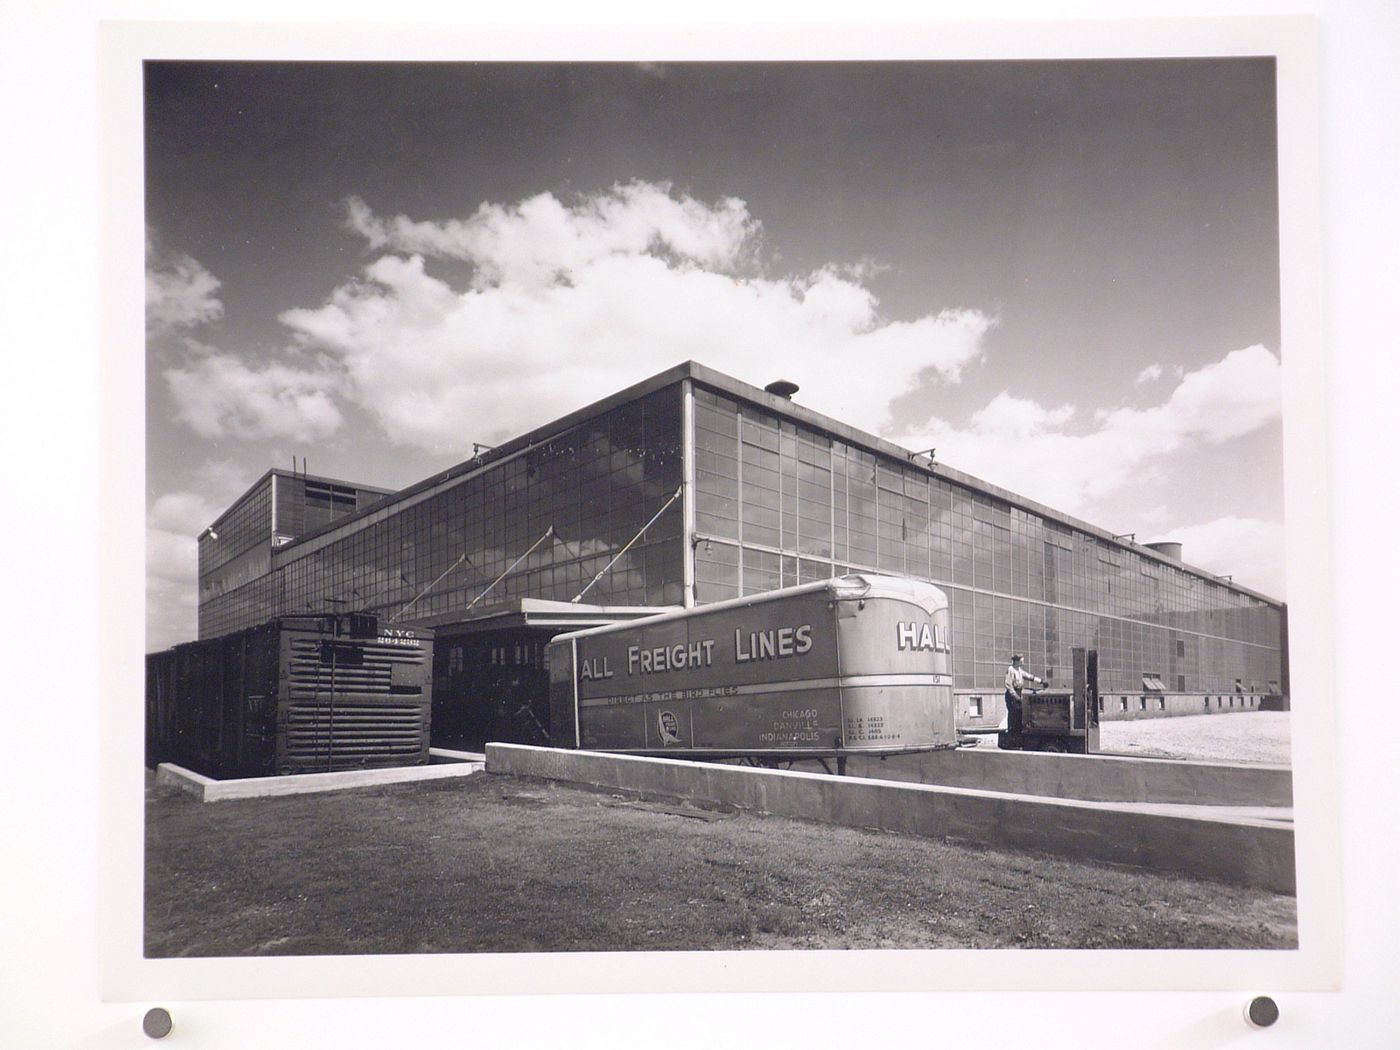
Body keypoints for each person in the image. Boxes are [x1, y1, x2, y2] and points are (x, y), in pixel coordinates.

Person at [1004, 654, 1044, 736]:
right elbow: (1008, 685)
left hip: (1018, 693)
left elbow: (1028, 676)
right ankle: (1012, 734)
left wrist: (1041, 681)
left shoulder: (1019, 670)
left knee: (1020, 714)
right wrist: (1016, 697)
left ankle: (1018, 733)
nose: (1023, 662)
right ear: (1016, 661)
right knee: (1014, 714)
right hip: (1012, 695)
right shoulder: (1011, 670)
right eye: (1021, 661)